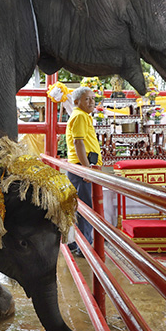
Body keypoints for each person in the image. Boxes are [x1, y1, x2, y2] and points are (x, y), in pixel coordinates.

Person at [64, 86, 102, 255]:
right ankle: (83, 247)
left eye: (93, 99)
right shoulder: (79, 116)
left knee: (82, 207)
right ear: (76, 102)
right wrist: (87, 169)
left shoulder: (83, 116)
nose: (91, 102)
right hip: (81, 169)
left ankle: (79, 244)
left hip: (82, 168)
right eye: (87, 99)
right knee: (84, 208)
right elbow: (78, 143)